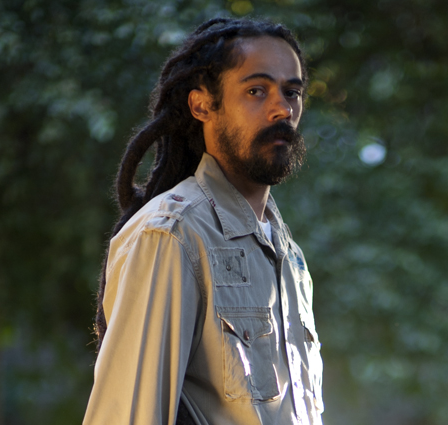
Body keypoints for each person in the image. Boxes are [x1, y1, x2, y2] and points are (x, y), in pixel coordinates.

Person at [83, 18, 323, 425]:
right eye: (256, 90)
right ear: (202, 106)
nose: (282, 109)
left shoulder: (290, 257)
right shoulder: (172, 234)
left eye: (292, 92)